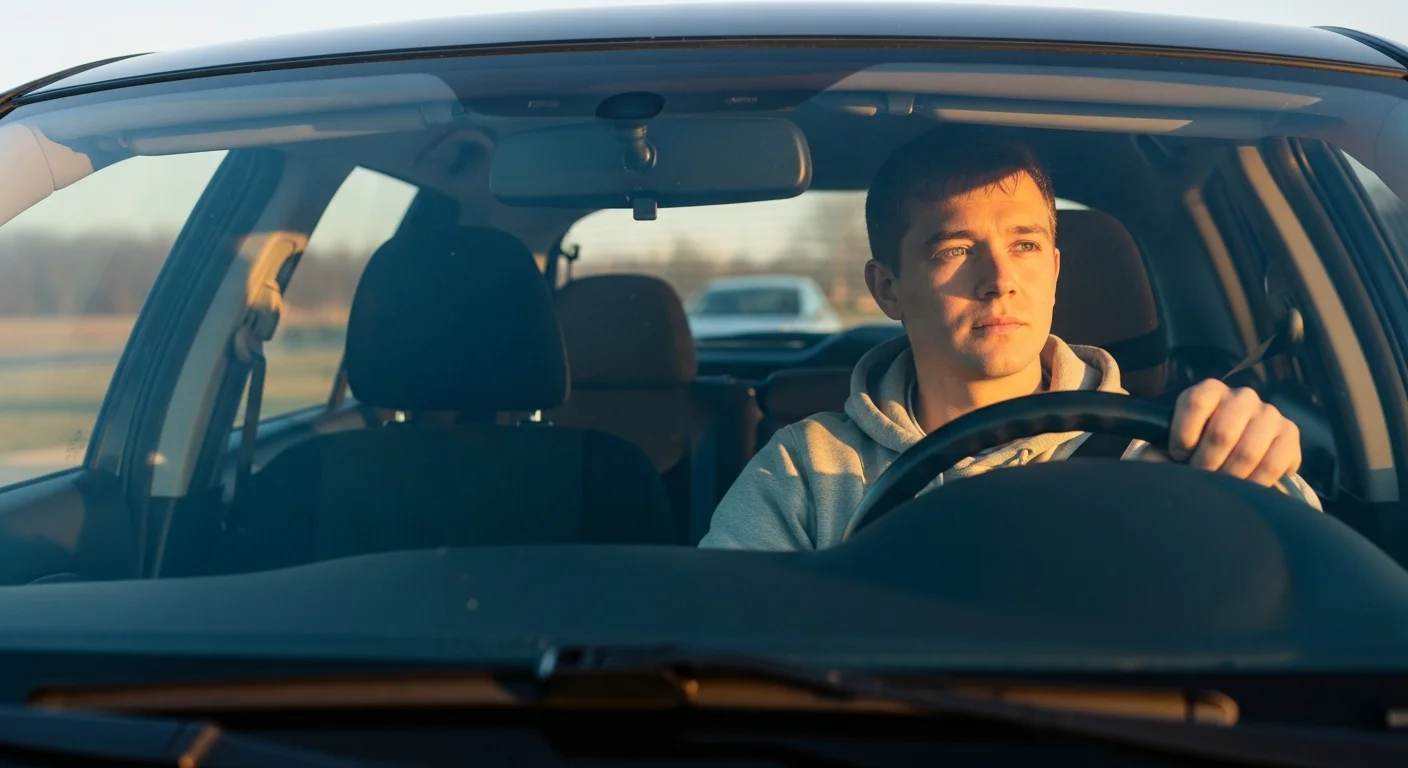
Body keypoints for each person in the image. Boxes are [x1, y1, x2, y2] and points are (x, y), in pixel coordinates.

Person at [699, 129, 1320, 551]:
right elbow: (717, 641)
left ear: (1052, 269)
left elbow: (1307, 602)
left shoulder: (1169, 448)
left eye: (1023, 245)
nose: (998, 281)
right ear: (888, 289)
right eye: (956, 250)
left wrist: (1257, 467)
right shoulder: (807, 469)